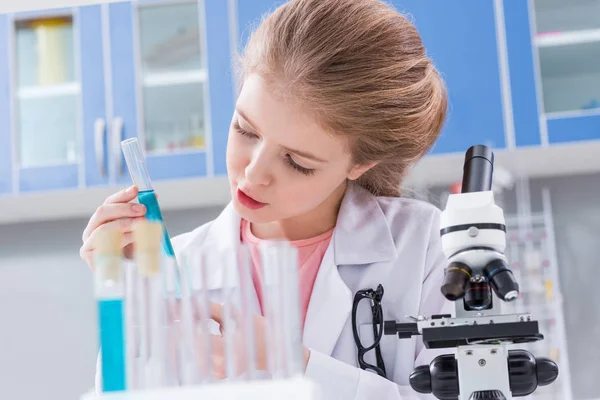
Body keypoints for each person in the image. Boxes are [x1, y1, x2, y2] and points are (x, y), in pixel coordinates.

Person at [80, 0, 453, 397]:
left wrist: (294, 361)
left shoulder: (426, 247)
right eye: (245, 130)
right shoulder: (177, 266)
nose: (253, 173)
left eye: (296, 161)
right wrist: (129, 300)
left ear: (360, 163)